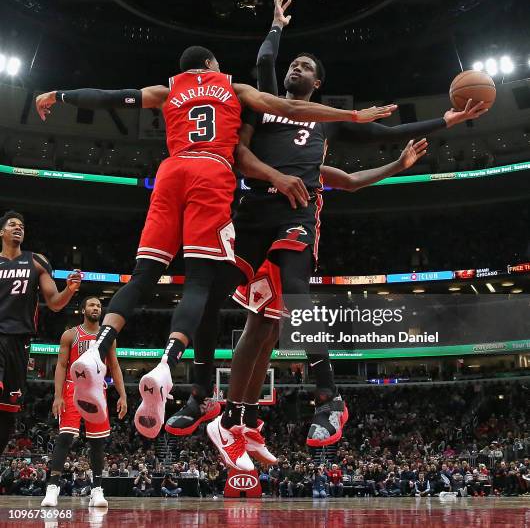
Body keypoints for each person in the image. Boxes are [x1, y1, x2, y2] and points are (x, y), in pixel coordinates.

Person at [171, 0, 489, 465]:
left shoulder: (326, 129)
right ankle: (231, 413)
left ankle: (325, 398)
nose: (295, 68)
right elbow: (263, 60)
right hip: (253, 212)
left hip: (296, 216)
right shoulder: (265, 105)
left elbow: (376, 147)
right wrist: (276, 25)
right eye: (292, 64)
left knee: (289, 303)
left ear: (318, 84)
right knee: (243, 318)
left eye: (305, 66)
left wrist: (443, 122)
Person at [35, 47, 393, 442]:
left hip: (191, 181)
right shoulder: (232, 89)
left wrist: (62, 95)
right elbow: (285, 104)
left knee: (172, 283)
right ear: (210, 66)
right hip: (227, 192)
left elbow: (109, 97)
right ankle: (215, 398)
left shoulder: (169, 90)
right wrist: (353, 114)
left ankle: (294, 400)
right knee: (216, 296)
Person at [0, 210, 82, 455]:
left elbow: (55, 303)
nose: (18, 227)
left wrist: (69, 290)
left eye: (21, 225)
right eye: (12, 224)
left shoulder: (36, 261)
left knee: (8, 411)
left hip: (20, 341)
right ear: (1, 232)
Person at [41, 297, 127, 508]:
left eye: (98, 305)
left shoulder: (108, 337)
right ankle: (53, 487)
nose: (95, 308)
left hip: (98, 388)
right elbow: (61, 365)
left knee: (97, 442)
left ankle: (97, 490)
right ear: (83, 310)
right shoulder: (70, 334)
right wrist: (57, 395)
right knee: (65, 437)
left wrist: (123, 395)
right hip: (73, 387)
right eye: (91, 305)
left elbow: (114, 367)